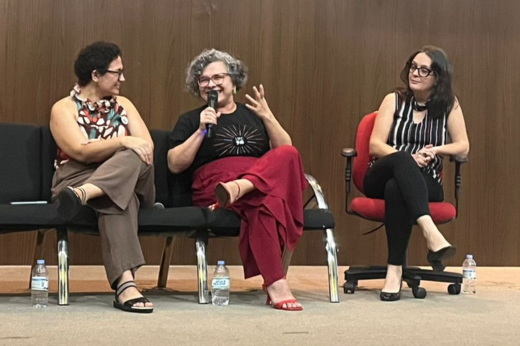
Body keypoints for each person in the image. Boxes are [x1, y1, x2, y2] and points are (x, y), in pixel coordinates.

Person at [168, 49, 306, 311]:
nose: (211, 84)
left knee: (287, 155)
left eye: (218, 77)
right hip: (216, 188)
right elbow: (175, 164)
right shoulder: (190, 120)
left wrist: (268, 117)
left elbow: (285, 153)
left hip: (248, 186)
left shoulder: (254, 114)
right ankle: (276, 284)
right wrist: (200, 131)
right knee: (266, 202)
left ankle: (242, 187)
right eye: (203, 80)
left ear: (233, 81)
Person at [50, 41, 155, 313]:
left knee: (136, 154)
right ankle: (126, 285)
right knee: (118, 196)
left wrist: (128, 146)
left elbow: (146, 148)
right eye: (116, 72)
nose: (123, 78)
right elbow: (80, 152)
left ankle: (88, 192)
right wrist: (123, 142)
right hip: (75, 177)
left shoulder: (125, 105)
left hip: (127, 176)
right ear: (96, 75)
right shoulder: (64, 108)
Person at [367, 46, 470, 301]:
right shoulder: (393, 100)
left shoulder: (449, 105)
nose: (415, 73)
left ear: (438, 77)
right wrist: (408, 158)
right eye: (413, 67)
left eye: (424, 70)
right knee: (401, 160)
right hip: (379, 174)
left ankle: (394, 270)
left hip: (427, 181)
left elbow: (463, 145)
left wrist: (436, 150)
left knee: (396, 188)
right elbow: (375, 145)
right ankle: (430, 232)